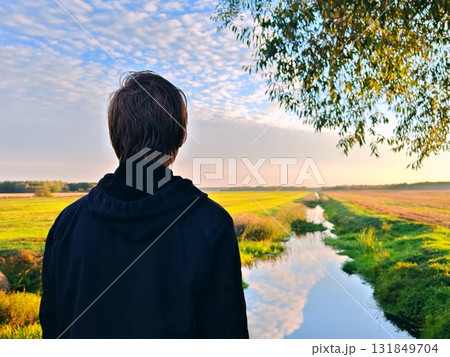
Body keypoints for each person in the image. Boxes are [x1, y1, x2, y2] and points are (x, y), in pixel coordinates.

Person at [39, 71, 249, 338]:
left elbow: (52, 329)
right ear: (181, 135)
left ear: (114, 135)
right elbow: (228, 335)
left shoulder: (68, 224)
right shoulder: (211, 224)